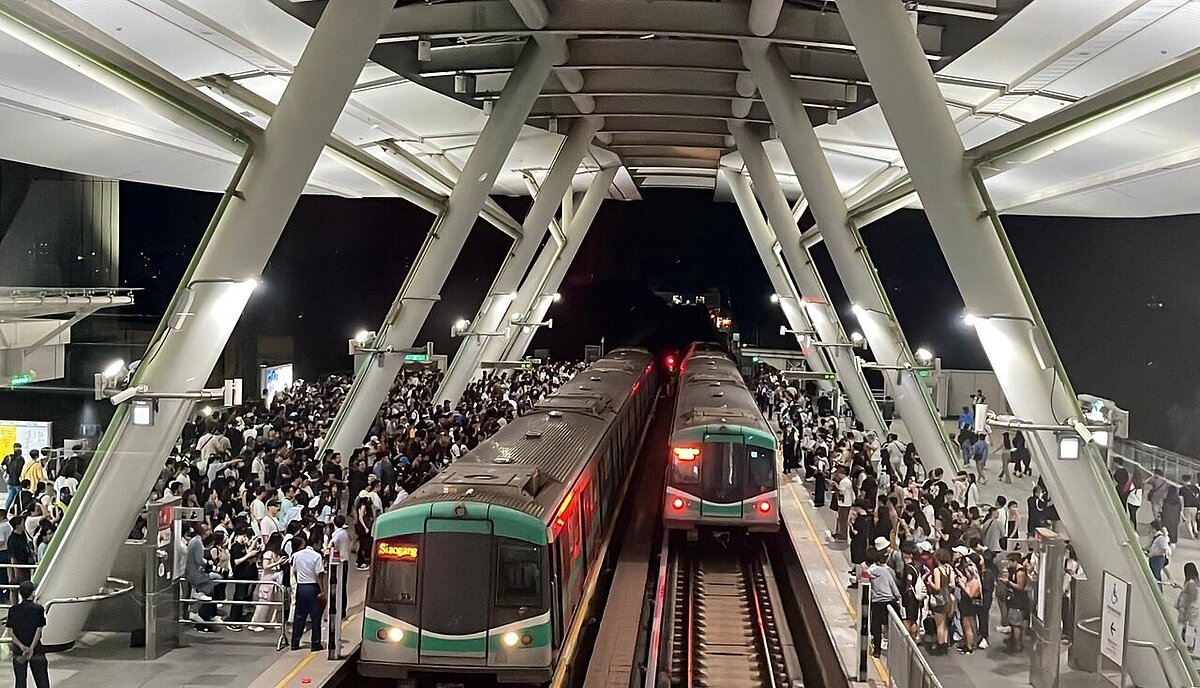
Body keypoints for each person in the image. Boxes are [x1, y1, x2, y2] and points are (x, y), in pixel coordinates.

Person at [6, 581, 49, 688]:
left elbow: (11, 632)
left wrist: (22, 647)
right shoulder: (38, 609)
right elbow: (38, 631)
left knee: (20, 681)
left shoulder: (13, 610)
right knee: (42, 681)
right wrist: (31, 648)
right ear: (32, 593)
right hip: (36, 650)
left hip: (18, 650)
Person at [289, 535, 326, 651]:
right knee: (316, 617)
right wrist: (322, 590)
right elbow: (319, 574)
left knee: (300, 616)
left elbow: (294, 571)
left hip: (301, 587)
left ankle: (295, 643)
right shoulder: (317, 556)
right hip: (313, 587)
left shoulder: (296, 555)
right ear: (316, 543)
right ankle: (315, 643)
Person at [867, 549, 902, 658]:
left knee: (876, 626)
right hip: (889, 600)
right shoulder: (885, 571)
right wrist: (898, 597)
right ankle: (895, 649)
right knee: (894, 625)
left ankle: (877, 650)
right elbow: (893, 586)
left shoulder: (868, 572)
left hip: (877, 602)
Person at [329, 515, 351, 619]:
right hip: (344, 561)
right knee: (342, 587)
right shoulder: (344, 533)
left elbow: (331, 544)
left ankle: (339, 611)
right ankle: (342, 612)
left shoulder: (338, 535)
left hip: (340, 564)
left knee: (338, 587)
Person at [1177, 562, 1200, 655]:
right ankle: (1190, 645)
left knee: (1188, 627)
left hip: (1190, 609)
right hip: (1193, 609)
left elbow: (1191, 597)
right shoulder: (1195, 581)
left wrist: (1186, 609)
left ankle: (1189, 646)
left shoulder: (1191, 583)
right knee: (1190, 627)